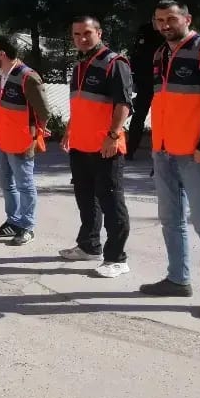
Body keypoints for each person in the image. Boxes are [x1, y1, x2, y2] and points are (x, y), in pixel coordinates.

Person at [140, 0, 200, 319]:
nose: (164, 24)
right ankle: (178, 279)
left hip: (196, 152)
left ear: (187, 18)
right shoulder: (160, 54)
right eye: (159, 19)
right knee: (170, 220)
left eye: (170, 18)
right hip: (164, 150)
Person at [60, 16, 133, 278]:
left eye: (87, 33)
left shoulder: (115, 63)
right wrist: (70, 130)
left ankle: (117, 258)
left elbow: (123, 104)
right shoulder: (80, 65)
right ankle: (89, 246)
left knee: (111, 201)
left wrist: (113, 136)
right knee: (86, 199)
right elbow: (80, 105)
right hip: (81, 145)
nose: (81, 38)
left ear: (99, 32)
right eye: (76, 34)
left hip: (106, 146)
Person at [0, 35, 51, 245]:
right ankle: (13, 221)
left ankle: (27, 226)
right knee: (6, 184)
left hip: (21, 141)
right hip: (1, 140)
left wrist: (35, 134)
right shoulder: (1, 75)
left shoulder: (28, 77)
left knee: (24, 185)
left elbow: (43, 111)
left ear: (2, 54)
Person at [126, 18, 164, 158]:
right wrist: (133, 77)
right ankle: (130, 150)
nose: (156, 21)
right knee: (138, 116)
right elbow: (136, 54)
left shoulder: (166, 33)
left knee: (162, 117)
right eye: (155, 18)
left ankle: (163, 150)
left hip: (162, 83)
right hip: (145, 82)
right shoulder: (144, 30)